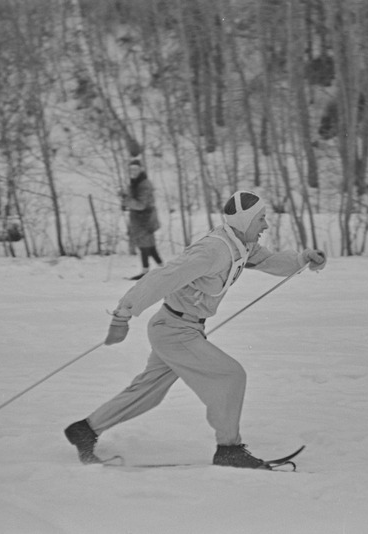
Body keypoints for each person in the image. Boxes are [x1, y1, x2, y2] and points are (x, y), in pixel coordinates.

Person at [65, 191, 327, 468]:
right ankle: (229, 449)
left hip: (180, 328)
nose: (265, 225)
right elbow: (162, 278)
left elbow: (267, 261)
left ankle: (85, 430)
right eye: (261, 219)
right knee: (230, 375)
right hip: (175, 331)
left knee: (147, 392)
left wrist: (301, 260)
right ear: (245, 220)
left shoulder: (242, 243)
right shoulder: (213, 251)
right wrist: (123, 316)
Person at [121, 158, 163, 280]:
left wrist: (127, 201)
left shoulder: (144, 184)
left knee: (145, 245)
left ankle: (148, 271)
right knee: (148, 246)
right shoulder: (135, 183)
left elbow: (141, 205)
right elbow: (133, 200)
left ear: (141, 169)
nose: (133, 172)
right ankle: (162, 268)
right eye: (131, 169)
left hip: (145, 219)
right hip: (140, 220)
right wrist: (125, 200)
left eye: (135, 169)